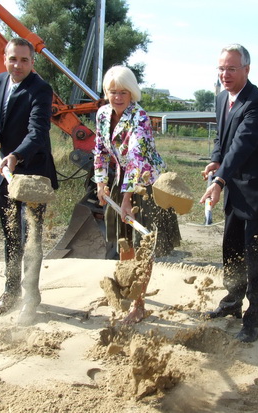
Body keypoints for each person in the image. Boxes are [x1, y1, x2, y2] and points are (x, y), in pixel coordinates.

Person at [200, 44, 258, 343]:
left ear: (247, 69)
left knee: (255, 255)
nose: (225, 74)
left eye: (231, 68)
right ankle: (232, 301)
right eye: (221, 68)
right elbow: (223, 140)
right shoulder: (222, 98)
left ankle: (254, 318)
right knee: (231, 248)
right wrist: (215, 160)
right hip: (234, 188)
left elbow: (242, 145)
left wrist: (219, 179)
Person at [0, 37, 58, 326]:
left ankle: (31, 298)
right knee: (11, 235)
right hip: (5, 174)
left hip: (33, 173)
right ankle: (10, 293)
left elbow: (37, 132)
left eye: (24, 60)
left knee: (32, 238)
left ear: (32, 62)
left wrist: (15, 156)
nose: (18, 65)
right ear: (5, 58)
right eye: (13, 59)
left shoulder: (41, 89)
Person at [93, 65, 181, 323]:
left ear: (131, 92)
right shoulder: (102, 114)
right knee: (124, 241)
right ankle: (126, 289)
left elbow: (136, 159)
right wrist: (101, 183)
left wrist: (127, 200)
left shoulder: (139, 117)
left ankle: (138, 304)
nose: (118, 97)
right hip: (123, 179)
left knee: (143, 246)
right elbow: (100, 150)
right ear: (107, 93)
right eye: (113, 92)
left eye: (123, 92)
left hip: (146, 183)